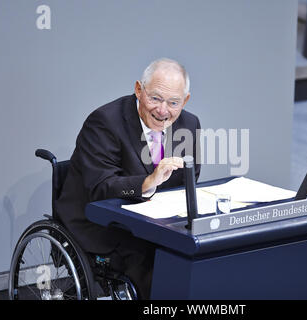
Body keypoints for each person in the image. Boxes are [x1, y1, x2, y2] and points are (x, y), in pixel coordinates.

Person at [55, 58, 201, 299]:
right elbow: (101, 188)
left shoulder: (189, 123)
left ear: (184, 101)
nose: (163, 111)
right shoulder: (104, 122)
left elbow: (190, 177)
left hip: (157, 223)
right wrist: (148, 182)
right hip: (100, 221)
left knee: (203, 255)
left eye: (173, 102)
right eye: (155, 98)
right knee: (154, 264)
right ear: (138, 90)